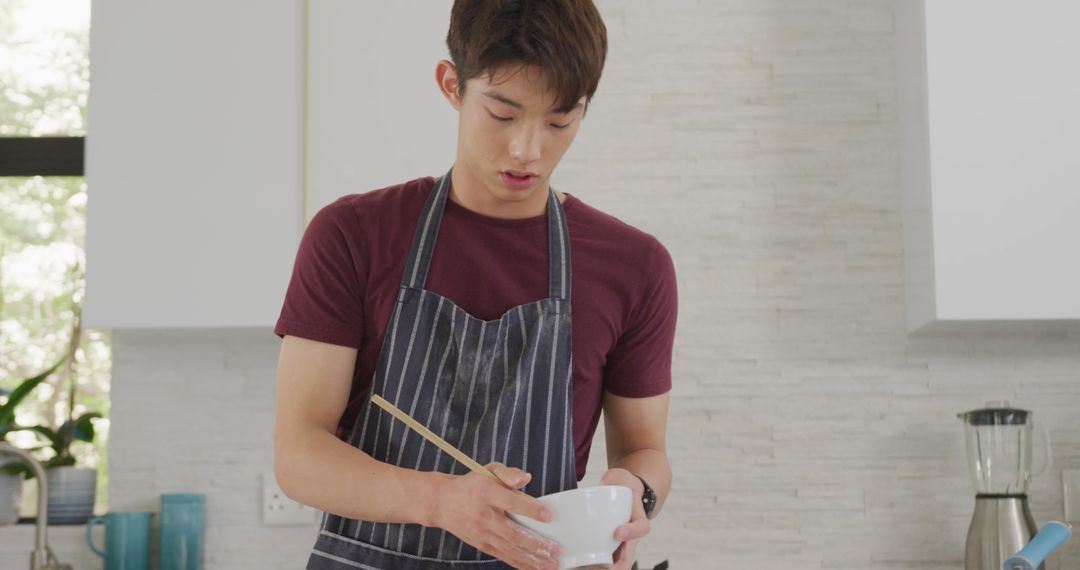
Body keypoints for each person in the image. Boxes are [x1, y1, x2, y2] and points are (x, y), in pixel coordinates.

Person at [273, 1, 676, 568]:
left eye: (560, 121)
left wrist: (635, 491)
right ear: (452, 85)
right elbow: (299, 456)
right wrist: (441, 501)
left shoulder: (635, 265)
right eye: (502, 113)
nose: (527, 150)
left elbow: (644, 449)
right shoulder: (353, 236)